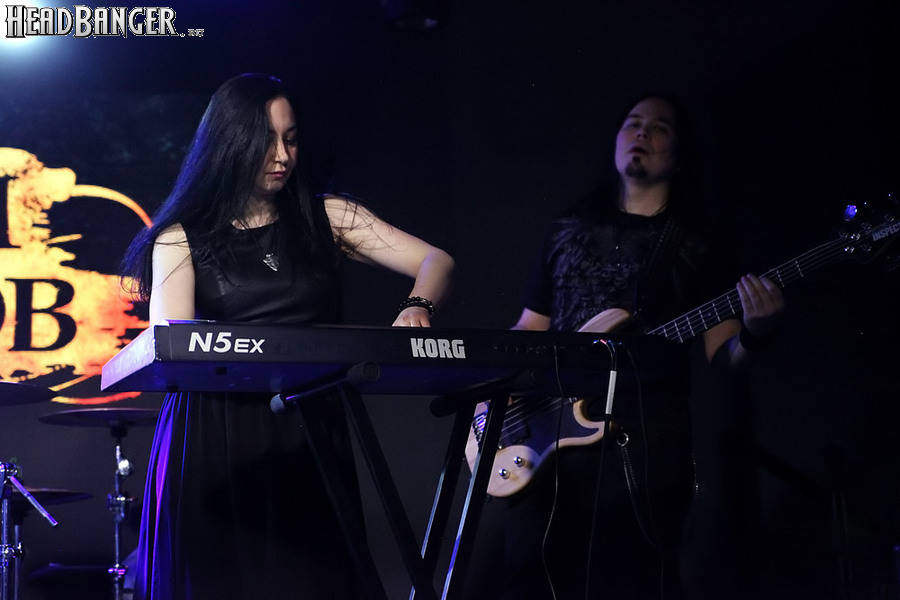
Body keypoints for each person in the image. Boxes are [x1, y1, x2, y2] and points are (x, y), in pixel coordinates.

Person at [119, 73, 455, 600]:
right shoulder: (180, 239)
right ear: (231, 143)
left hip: (308, 425)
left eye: (291, 139)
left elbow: (436, 260)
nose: (282, 155)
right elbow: (173, 346)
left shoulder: (329, 216)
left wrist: (418, 305)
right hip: (217, 432)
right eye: (266, 141)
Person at [499, 94, 785, 599]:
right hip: (549, 434)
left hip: (645, 440)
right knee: (535, 576)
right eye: (632, 123)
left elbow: (724, 356)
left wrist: (758, 333)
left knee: (635, 579)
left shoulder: (698, 240)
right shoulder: (567, 227)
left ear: (680, 154)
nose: (643, 133)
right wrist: (496, 395)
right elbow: (530, 326)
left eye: (660, 128)